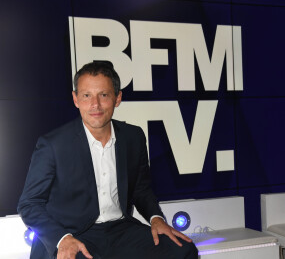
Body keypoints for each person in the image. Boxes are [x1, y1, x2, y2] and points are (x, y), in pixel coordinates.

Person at [18, 61, 198, 259]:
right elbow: (29, 203)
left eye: (103, 95)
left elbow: (141, 189)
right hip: (71, 233)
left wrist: (156, 218)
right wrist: (61, 239)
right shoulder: (53, 144)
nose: (95, 104)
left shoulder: (133, 137)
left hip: (120, 230)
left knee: (184, 250)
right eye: (87, 96)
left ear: (117, 97)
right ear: (75, 99)